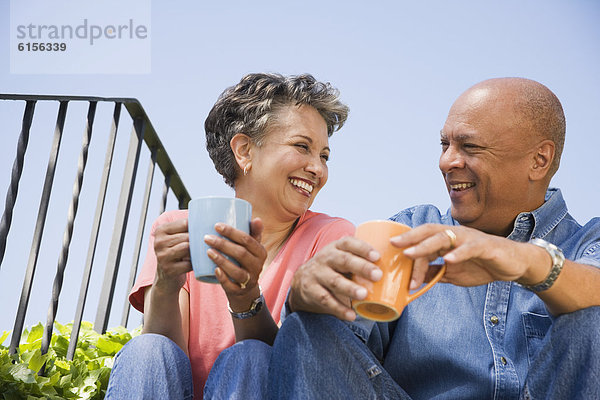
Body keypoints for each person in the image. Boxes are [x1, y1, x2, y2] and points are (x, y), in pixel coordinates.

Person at [205, 77, 600, 399]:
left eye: (470, 147)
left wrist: (523, 261)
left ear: (540, 160)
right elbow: (338, 341)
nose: (447, 161)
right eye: (445, 145)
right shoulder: (409, 232)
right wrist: (304, 299)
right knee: (307, 328)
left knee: (591, 318)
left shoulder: (588, 241)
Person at [104, 73, 353, 399]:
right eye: (302, 147)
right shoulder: (178, 229)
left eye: (324, 155)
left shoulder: (330, 236)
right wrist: (166, 282)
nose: (317, 169)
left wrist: (245, 298)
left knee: (251, 356)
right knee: (147, 350)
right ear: (245, 150)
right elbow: (162, 365)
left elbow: (306, 371)